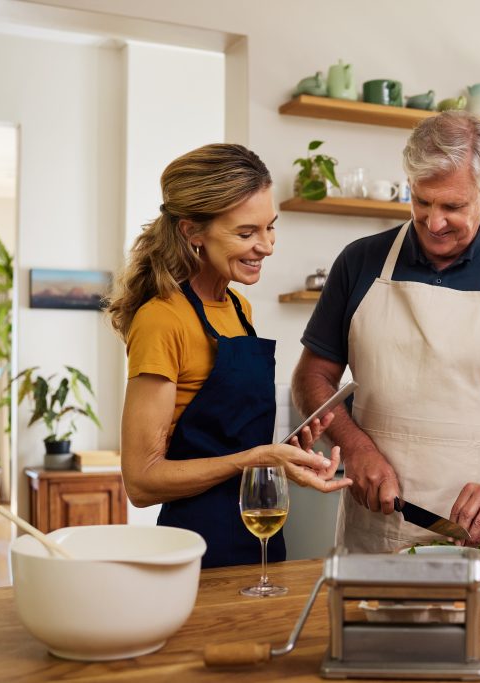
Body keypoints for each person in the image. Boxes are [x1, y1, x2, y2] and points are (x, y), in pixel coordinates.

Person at [292, 111, 480, 553]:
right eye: (421, 202)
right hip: (378, 535)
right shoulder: (360, 262)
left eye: (452, 206)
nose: (434, 224)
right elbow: (311, 378)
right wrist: (355, 449)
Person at [107, 143, 351, 568]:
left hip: (261, 539)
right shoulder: (161, 320)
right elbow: (142, 482)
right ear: (191, 232)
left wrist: (285, 453)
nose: (267, 246)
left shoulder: (240, 309)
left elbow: (228, 442)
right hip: (196, 550)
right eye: (246, 233)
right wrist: (257, 458)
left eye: (270, 227)